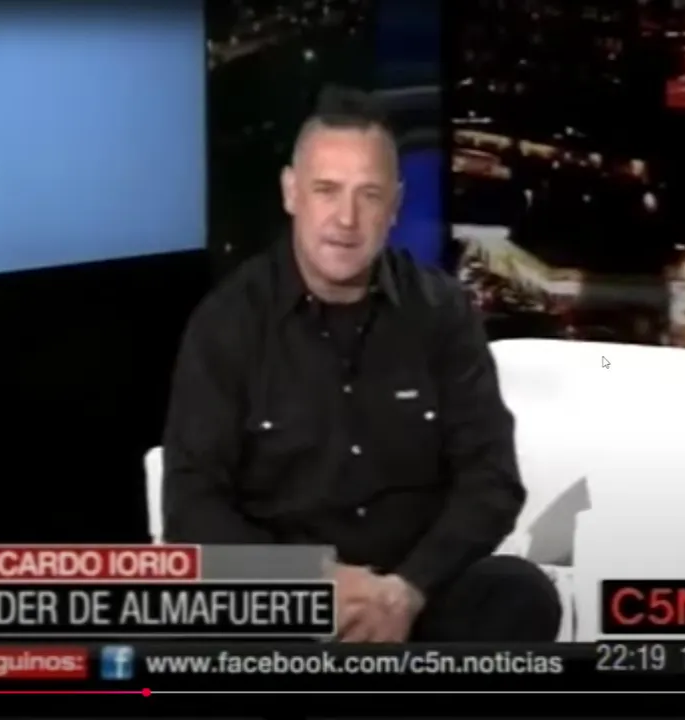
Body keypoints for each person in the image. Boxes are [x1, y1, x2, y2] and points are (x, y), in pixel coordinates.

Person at [162, 87, 560, 643]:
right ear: (291, 192)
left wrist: (408, 590)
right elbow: (191, 507)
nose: (345, 219)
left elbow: (491, 480)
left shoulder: (441, 312)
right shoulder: (228, 323)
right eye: (326, 190)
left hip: (415, 599)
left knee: (518, 594)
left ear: (394, 206)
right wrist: (313, 583)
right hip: (288, 605)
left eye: (368, 195)